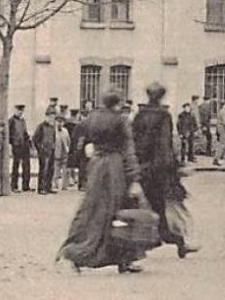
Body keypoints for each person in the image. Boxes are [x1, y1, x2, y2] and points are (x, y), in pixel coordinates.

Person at [57, 92, 152, 274]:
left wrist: (87, 153)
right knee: (119, 212)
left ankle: (74, 250)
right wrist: (134, 178)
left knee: (90, 210)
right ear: (117, 103)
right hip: (115, 169)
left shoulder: (92, 118)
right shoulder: (121, 120)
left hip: (96, 167)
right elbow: (128, 151)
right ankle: (124, 258)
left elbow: (81, 138)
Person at [131, 83, 195, 257]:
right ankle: (173, 240)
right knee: (162, 208)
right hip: (158, 171)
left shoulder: (139, 115)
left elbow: (134, 142)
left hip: (141, 168)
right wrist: (174, 168)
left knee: (148, 207)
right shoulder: (163, 116)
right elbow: (164, 146)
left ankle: (172, 240)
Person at [8, 104, 32, 192]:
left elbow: (25, 133)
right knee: (16, 166)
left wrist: (29, 141)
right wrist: (11, 144)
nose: (20, 112)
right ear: (15, 110)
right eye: (18, 110)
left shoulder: (23, 121)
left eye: (22, 110)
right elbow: (8, 134)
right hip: (16, 145)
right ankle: (14, 186)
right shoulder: (11, 121)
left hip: (24, 145)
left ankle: (26, 185)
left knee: (26, 166)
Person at [34, 111, 58, 194]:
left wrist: (53, 147)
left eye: (53, 117)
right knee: (43, 169)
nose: (52, 119)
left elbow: (54, 138)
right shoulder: (41, 127)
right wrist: (40, 149)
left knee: (51, 170)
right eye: (50, 117)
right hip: (43, 152)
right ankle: (41, 188)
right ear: (46, 117)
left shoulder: (52, 127)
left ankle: (48, 187)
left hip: (51, 151)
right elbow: (35, 139)